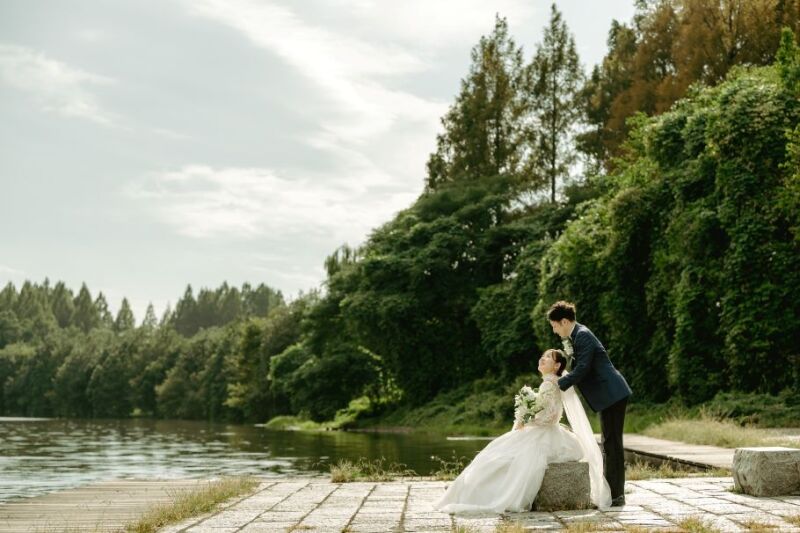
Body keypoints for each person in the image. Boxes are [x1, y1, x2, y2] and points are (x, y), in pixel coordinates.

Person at [434, 349, 611, 514]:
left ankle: (475, 492)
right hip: (545, 431)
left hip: (545, 433)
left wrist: (527, 419)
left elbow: (551, 416)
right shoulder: (550, 383)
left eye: (548, 357)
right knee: (499, 453)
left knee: (499, 455)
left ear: (557, 366)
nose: (543, 358)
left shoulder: (549, 384)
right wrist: (526, 415)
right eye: (543, 356)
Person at [547, 300, 632, 507]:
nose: (555, 331)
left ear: (565, 321)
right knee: (609, 444)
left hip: (612, 393)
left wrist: (558, 384)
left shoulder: (583, 335)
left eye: (555, 326)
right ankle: (613, 492)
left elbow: (583, 368)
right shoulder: (578, 335)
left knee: (612, 444)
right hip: (609, 395)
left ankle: (616, 495)